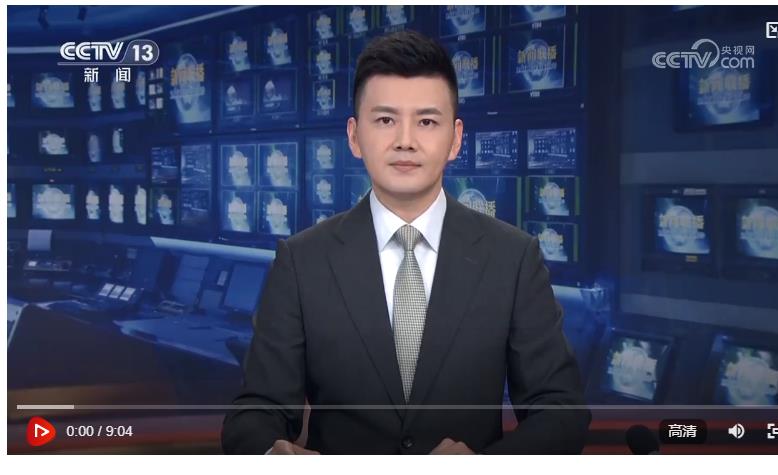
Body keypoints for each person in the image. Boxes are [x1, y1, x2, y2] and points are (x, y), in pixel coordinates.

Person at [222, 29, 590, 455]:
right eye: (385, 120)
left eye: (427, 122)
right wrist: (272, 454)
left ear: (455, 139)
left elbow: (561, 412)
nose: (405, 141)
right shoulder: (301, 261)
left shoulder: (513, 258)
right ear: (354, 136)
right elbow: (254, 413)